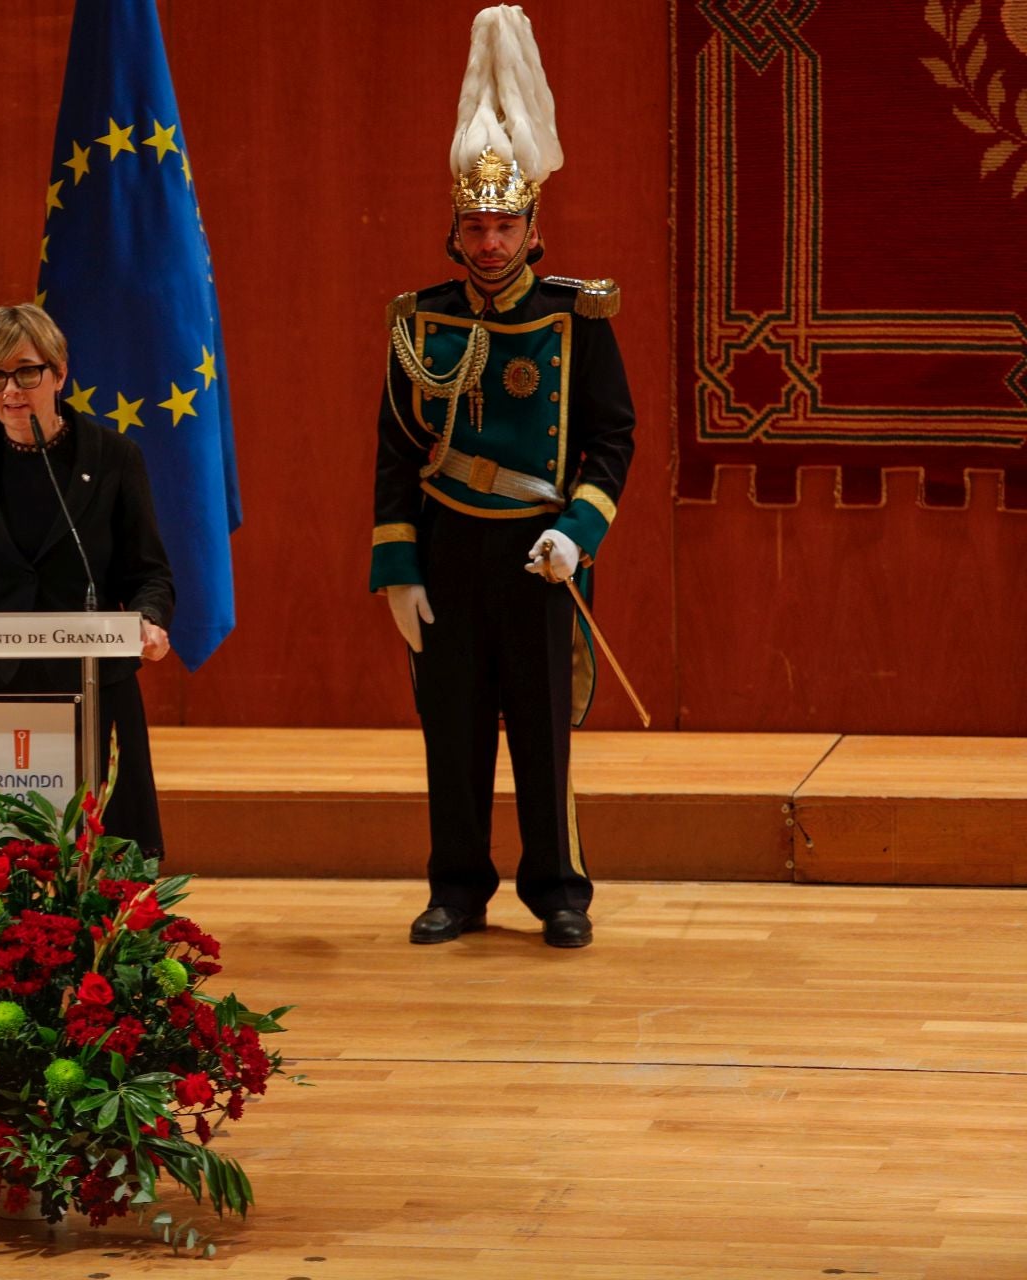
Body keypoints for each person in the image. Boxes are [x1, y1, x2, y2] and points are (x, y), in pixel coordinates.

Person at [370, 4, 635, 949]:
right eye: (476, 225)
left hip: (542, 554)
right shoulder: (419, 319)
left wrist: (581, 531)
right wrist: (396, 568)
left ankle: (561, 893)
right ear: (457, 226)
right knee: (452, 731)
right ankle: (456, 887)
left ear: (533, 225)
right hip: (447, 547)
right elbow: (397, 451)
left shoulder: (579, 319)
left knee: (543, 730)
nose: (489, 243)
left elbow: (613, 440)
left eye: (505, 224)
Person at [0, 302, 175, 855]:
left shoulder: (115, 457)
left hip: (93, 682)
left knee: (101, 853)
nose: (11, 392)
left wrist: (149, 621)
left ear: (59, 372)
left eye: (26, 372)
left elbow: (149, 573)